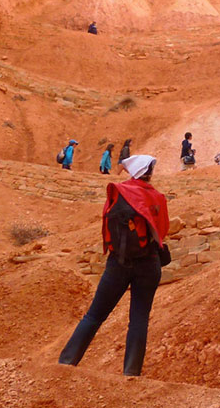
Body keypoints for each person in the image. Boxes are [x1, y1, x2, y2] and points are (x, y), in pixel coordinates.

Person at [59, 155, 169, 376]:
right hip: (149, 263)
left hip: (118, 262)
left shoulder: (118, 191)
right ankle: (131, 373)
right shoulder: (158, 198)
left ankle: (65, 364)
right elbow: (163, 229)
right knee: (139, 318)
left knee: (94, 315)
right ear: (149, 173)